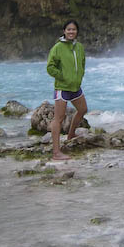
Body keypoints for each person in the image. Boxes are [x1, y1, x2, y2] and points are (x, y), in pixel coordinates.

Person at [46, 19, 87, 161]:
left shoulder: (79, 47)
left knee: (82, 110)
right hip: (62, 88)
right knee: (59, 118)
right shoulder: (58, 47)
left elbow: (82, 63)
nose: (71, 32)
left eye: (74, 29)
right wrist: (63, 77)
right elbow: (50, 67)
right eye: (69, 29)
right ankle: (56, 153)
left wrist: (79, 76)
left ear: (77, 32)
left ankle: (70, 135)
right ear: (64, 31)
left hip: (75, 87)